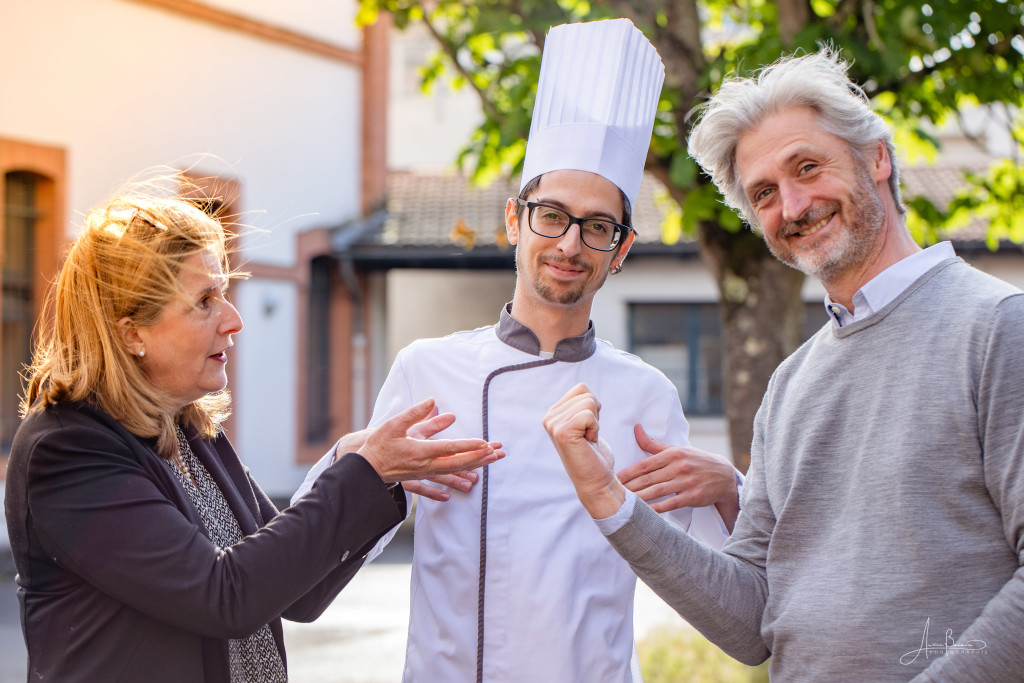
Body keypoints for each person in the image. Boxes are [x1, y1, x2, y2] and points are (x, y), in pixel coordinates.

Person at [543, 47, 1024, 681]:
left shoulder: (999, 327)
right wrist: (609, 500)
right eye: (764, 193)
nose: (792, 207)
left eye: (808, 167)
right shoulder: (791, 382)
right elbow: (751, 620)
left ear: (877, 156)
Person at [295, 18, 741, 683]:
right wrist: (355, 456)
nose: (569, 245)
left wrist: (732, 491)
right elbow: (315, 566)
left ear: (620, 249)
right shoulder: (427, 369)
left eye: (597, 228)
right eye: (552, 215)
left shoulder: (646, 395)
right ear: (514, 219)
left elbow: (731, 601)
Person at [3, 187, 504, 682]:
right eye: (205, 301)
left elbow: (297, 592)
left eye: (224, 294)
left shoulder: (189, 428)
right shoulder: (68, 450)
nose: (234, 319)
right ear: (133, 332)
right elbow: (225, 596)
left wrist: (365, 473)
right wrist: (362, 473)